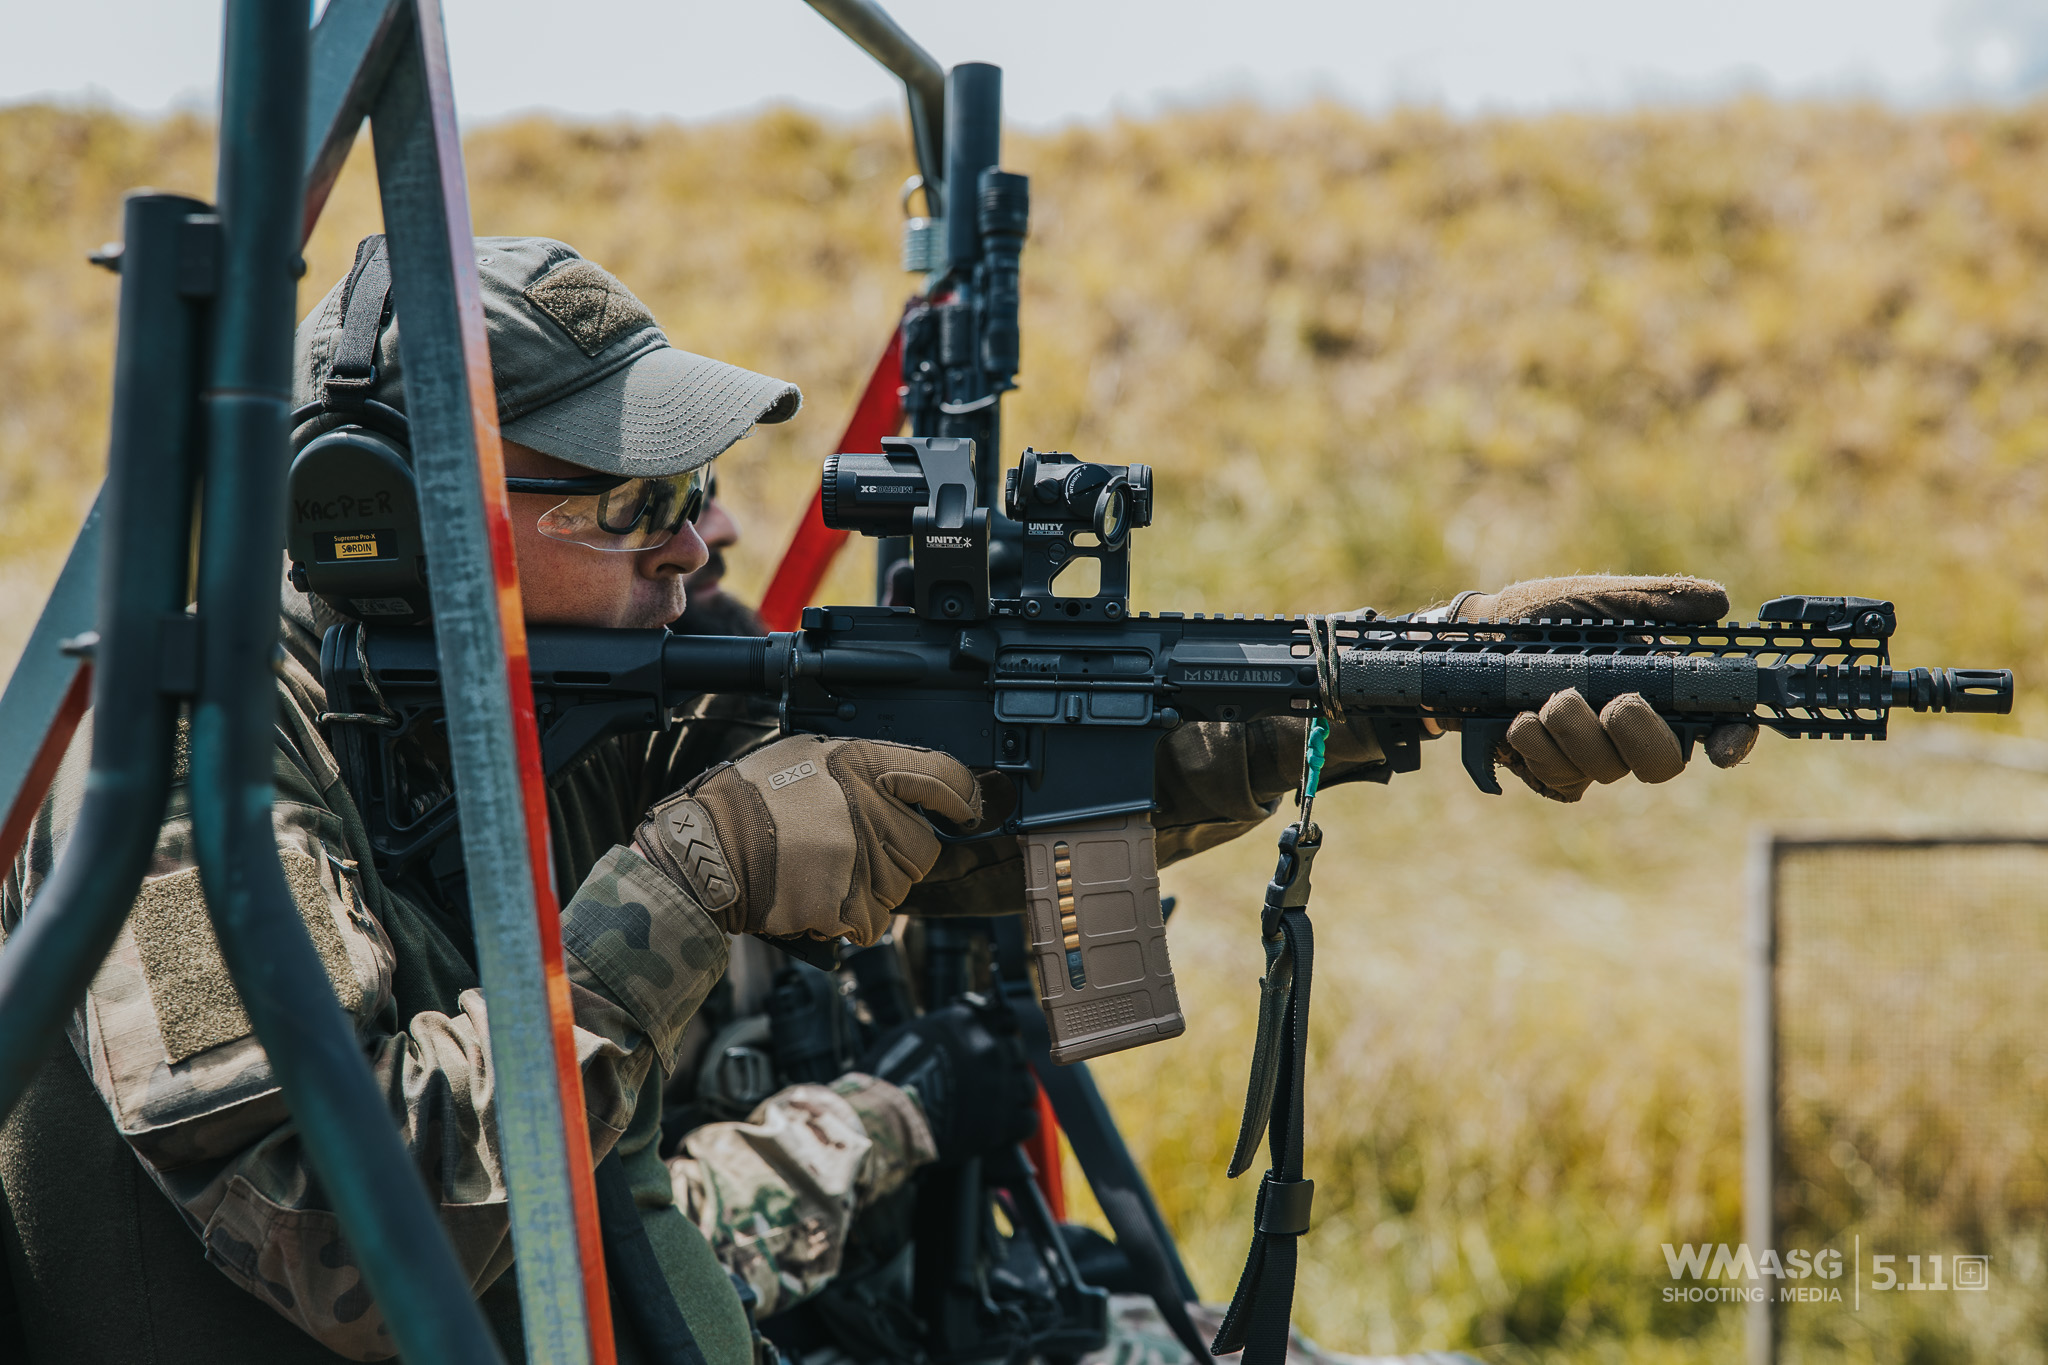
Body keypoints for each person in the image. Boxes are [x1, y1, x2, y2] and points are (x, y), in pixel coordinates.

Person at [0, 232, 1753, 1365]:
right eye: (640, 499)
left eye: (700, 482)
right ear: (390, 518)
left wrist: (1406, 685)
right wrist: (689, 882)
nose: (707, 536)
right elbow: (350, 1238)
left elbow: (963, 796)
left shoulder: (555, 698)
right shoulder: (183, 777)